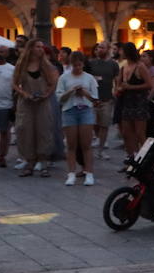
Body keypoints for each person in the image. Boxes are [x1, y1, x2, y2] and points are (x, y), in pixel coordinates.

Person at [13, 38, 58, 177]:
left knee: (43, 130)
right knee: (25, 130)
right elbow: (14, 83)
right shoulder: (21, 65)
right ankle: (29, 162)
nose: (40, 49)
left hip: (42, 103)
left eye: (41, 47)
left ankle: (43, 163)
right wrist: (25, 94)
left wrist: (46, 95)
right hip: (26, 103)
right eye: (37, 46)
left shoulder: (46, 65)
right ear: (31, 48)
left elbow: (52, 84)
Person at [56, 51, 99, 187]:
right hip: (69, 111)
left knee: (86, 144)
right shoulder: (64, 78)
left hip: (85, 110)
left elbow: (95, 98)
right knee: (71, 144)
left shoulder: (89, 78)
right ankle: (71, 173)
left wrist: (84, 93)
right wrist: (71, 91)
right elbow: (59, 98)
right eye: (75, 65)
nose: (78, 68)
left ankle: (89, 173)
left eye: (80, 65)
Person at [114, 43, 152, 161]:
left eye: (122, 51)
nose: (120, 53)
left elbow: (149, 84)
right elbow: (119, 85)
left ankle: (146, 158)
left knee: (140, 133)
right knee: (126, 133)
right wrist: (119, 89)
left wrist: (131, 87)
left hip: (139, 103)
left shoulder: (140, 67)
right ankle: (132, 157)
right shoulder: (123, 68)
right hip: (127, 102)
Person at [86, 41, 119, 158]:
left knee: (104, 125)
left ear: (108, 49)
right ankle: (96, 140)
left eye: (102, 48)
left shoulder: (113, 65)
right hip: (92, 99)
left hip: (106, 99)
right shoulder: (90, 63)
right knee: (93, 124)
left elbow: (117, 80)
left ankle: (101, 149)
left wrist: (115, 91)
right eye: (99, 47)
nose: (100, 50)